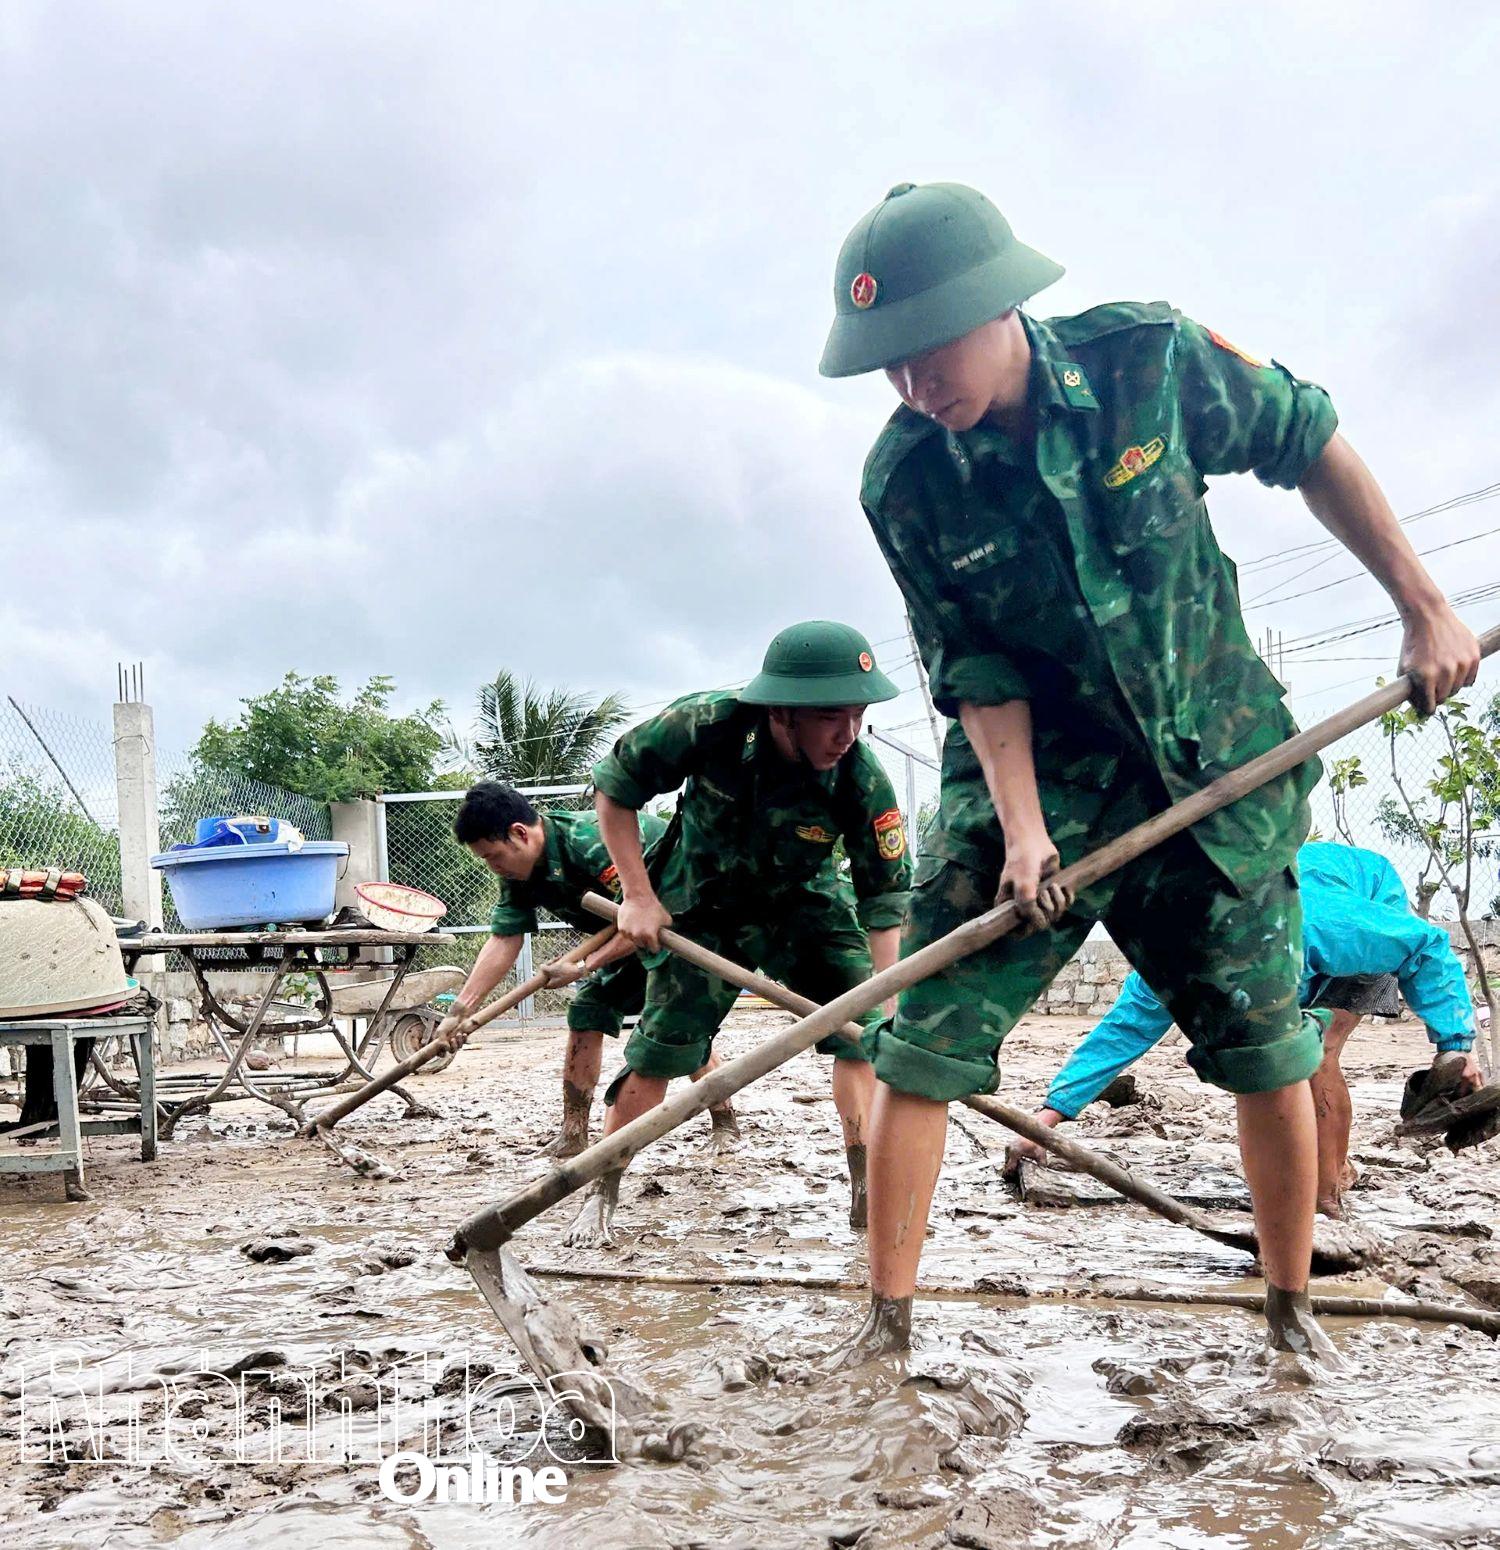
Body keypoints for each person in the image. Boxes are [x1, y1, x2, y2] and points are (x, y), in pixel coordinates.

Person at [818, 180, 1481, 1360]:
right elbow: (974, 666)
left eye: (930, 349)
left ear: (1001, 305)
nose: (914, 383)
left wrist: (1424, 606)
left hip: (1213, 764)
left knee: (1269, 1048)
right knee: (922, 1041)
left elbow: (1308, 438)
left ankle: (1290, 1311)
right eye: (890, 365)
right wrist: (1025, 830)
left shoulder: (1149, 362)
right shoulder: (905, 481)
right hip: (1033, 778)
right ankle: (886, 1325)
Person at [565, 620, 913, 1245]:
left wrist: (887, 1005)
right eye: (830, 717)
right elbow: (615, 790)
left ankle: (865, 1190)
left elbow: (884, 905)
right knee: (661, 1049)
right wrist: (638, 897)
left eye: (858, 715)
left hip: (805, 905)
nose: (848, 734)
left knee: (861, 1035)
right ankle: (602, 1189)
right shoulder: (705, 724)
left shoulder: (861, 779)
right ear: (782, 711)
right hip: (700, 906)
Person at [1002, 841, 1482, 1218]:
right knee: (1270, 1058)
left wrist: (1455, 1046)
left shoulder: (1331, 929)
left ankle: (1328, 1196)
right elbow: (1119, 1035)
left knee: (1319, 1055)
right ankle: (1325, 1164)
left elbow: (1428, 947)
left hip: (1359, 895)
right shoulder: (1170, 964)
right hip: (1279, 946)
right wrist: (1042, 1125)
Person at [445, 780, 738, 1157]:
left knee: (677, 1028)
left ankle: (725, 1121)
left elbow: (648, 917)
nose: (493, 866)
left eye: (493, 856)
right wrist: (460, 1010)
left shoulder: (594, 844)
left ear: (520, 833)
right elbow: (505, 938)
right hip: (626, 934)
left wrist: (583, 966)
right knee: (587, 1011)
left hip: (685, 926)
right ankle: (573, 1134)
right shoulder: (518, 872)